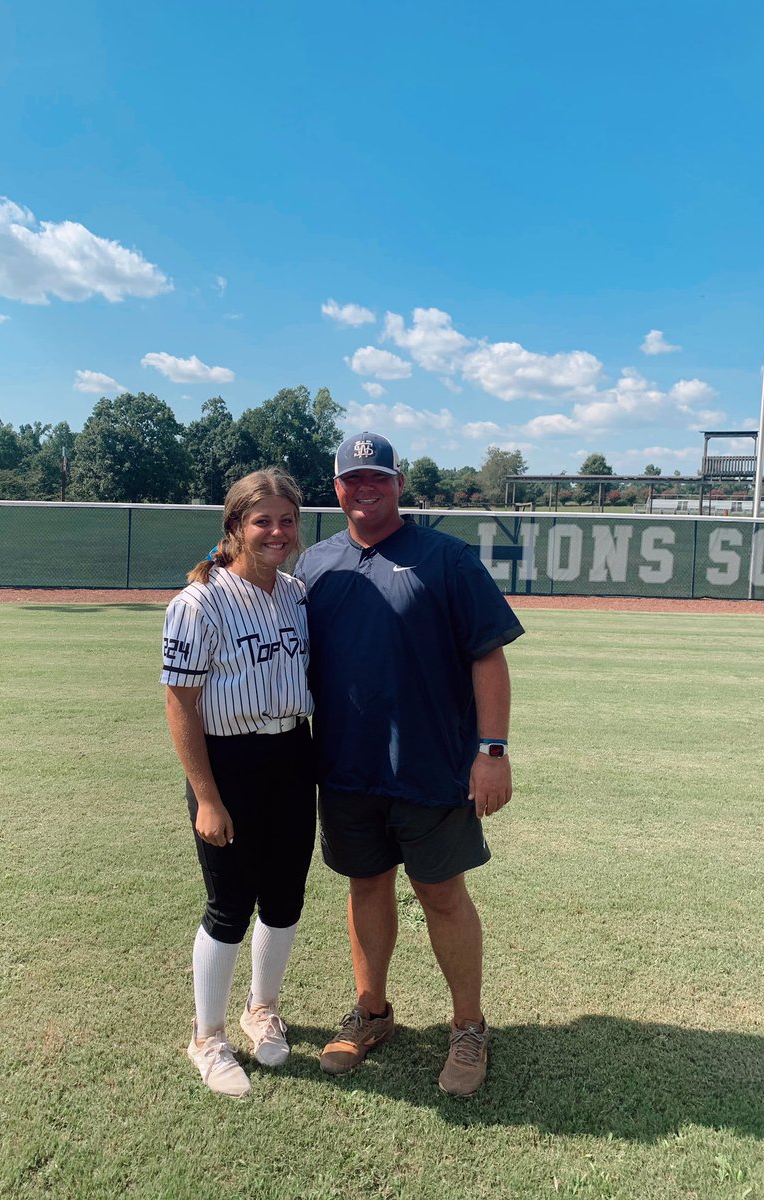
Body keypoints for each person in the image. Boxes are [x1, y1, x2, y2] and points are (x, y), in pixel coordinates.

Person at [294, 432, 525, 1097]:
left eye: (378, 477)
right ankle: (372, 1013)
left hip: (430, 765)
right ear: (336, 488)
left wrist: (493, 751)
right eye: (352, 478)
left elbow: (488, 656)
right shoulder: (315, 564)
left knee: (441, 894)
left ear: (399, 484)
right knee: (365, 886)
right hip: (345, 766)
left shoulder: (446, 558)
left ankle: (469, 1027)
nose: (365, 488)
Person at [161, 470, 315, 1098]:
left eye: (287, 520)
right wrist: (206, 796)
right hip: (229, 762)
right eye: (262, 521)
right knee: (229, 906)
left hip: (292, 754)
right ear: (235, 527)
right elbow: (180, 703)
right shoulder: (198, 602)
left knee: (285, 898)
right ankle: (208, 1038)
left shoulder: (296, 594)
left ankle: (262, 1010)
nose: (277, 532)